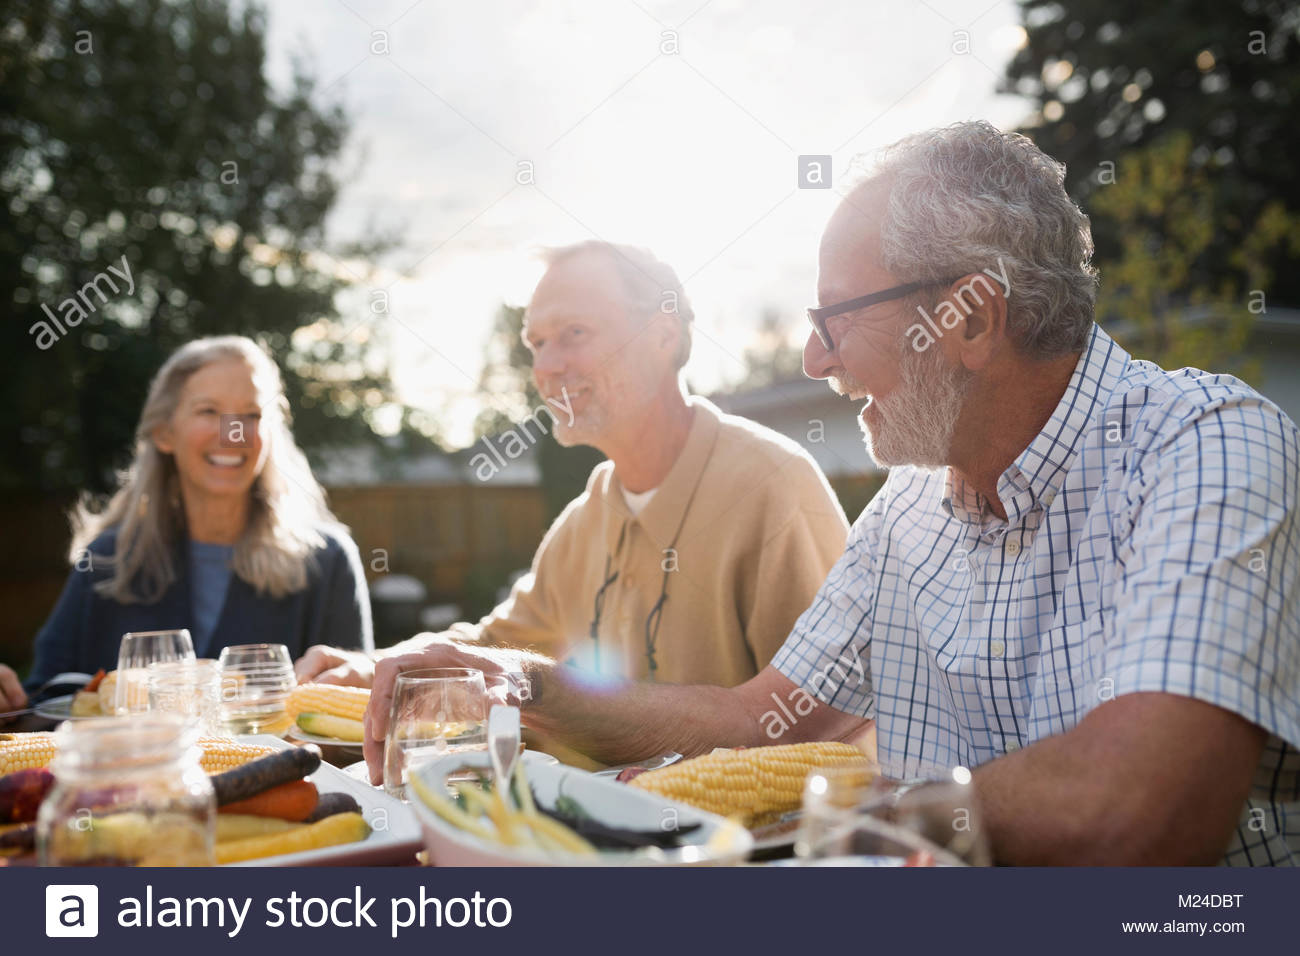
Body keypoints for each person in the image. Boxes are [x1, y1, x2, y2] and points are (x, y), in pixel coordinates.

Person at [361, 123, 1299, 866]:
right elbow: (752, 719)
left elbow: (1139, 814)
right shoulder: (906, 508)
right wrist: (527, 687)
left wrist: (859, 818)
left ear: (966, 317)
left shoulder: (1206, 447)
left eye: (836, 321)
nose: (814, 360)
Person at [297, 241, 848, 696]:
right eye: (536, 342)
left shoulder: (774, 489)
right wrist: (373, 667)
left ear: (662, 335)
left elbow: (829, 717)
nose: (545, 367)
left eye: (574, 334)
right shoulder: (586, 520)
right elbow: (493, 646)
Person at [24, 336, 373, 690]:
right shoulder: (105, 560)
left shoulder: (328, 562)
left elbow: (352, 713)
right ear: (164, 433)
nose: (233, 433)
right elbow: (43, 700)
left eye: (251, 415)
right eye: (209, 411)